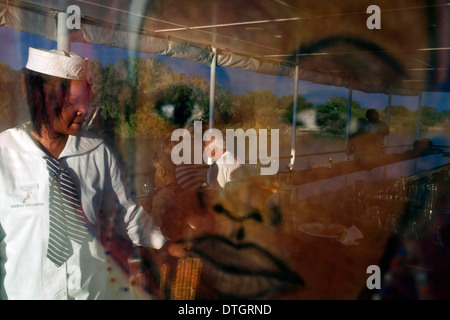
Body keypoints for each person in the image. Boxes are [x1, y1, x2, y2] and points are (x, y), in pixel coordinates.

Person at [0, 47, 166, 300]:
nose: (83, 110)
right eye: (71, 102)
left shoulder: (97, 153)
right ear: (41, 99)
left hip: (92, 293)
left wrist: (162, 243)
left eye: (85, 101)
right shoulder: (5, 154)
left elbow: (126, 212)